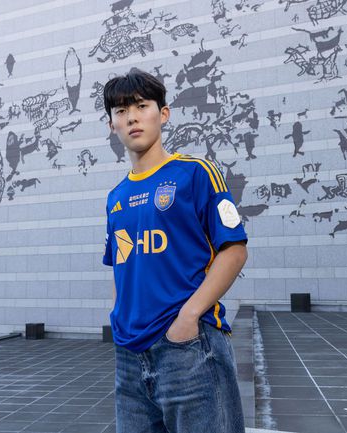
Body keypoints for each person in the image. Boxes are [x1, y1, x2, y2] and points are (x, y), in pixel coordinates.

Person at [102, 68, 248, 433]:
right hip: (130, 355)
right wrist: (119, 317)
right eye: (121, 111)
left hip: (188, 347)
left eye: (141, 106)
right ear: (112, 125)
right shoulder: (116, 197)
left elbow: (234, 251)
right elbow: (123, 261)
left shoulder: (195, 173)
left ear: (163, 113)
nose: (132, 117)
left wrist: (188, 317)